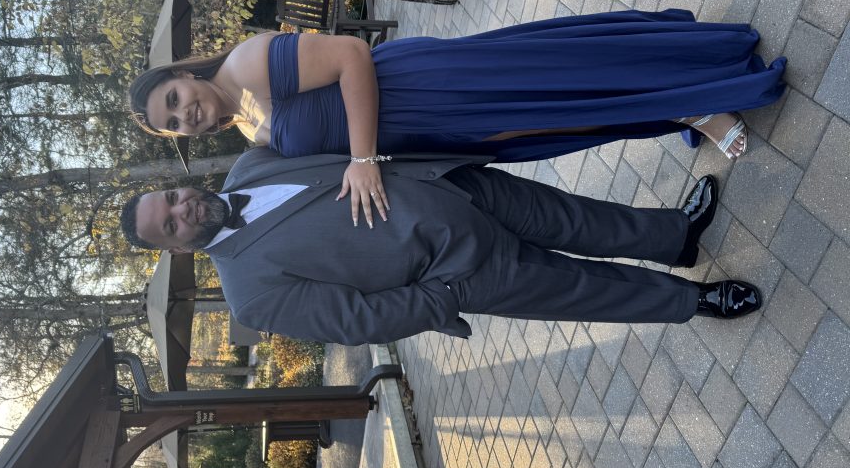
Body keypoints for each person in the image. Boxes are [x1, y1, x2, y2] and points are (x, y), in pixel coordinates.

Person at [128, 9, 786, 225]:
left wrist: (361, 159)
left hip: (422, 87)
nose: (187, 115)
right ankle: (680, 107)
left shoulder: (247, 66)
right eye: (175, 125)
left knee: (555, 83)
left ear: (184, 75)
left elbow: (354, 57)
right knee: (555, 124)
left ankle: (697, 97)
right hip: (426, 131)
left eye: (176, 100)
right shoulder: (245, 125)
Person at [119, 148, 760, 345]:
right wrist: (441, 298)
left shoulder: (250, 166)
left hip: (455, 187)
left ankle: (675, 235)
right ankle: (694, 300)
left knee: (577, 216)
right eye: (170, 225)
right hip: (461, 271)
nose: (183, 211)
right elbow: (354, 322)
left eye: (171, 199)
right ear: (176, 249)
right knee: (589, 289)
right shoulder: (248, 293)